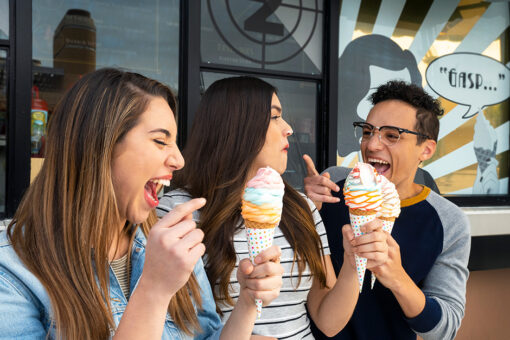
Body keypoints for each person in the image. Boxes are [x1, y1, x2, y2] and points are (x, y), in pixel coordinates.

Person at [0, 68, 284, 339]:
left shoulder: (172, 246)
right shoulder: (13, 272)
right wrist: (154, 290)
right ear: (100, 146)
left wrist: (247, 302)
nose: (179, 160)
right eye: (161, 141)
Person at [157, 76, 389, 339]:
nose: (288, 128)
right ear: (236, 126)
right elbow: (164, 325)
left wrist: (352, 261)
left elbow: (329, 321)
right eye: (275, 116)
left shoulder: (300, 207)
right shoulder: (178, 212)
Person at [307, 80, 470, 340]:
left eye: (392, 135)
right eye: (368, 131)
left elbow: (445, 329)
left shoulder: (449, 221)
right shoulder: (332, 185)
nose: (371, 145)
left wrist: (396, 276)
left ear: (426, 149)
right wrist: (303, 208)